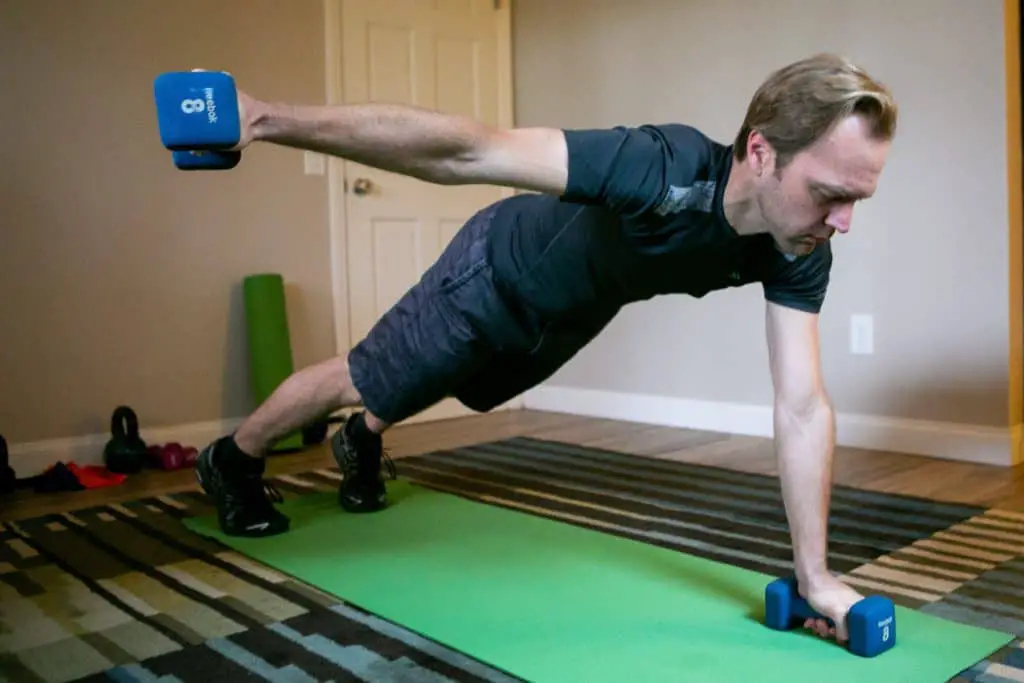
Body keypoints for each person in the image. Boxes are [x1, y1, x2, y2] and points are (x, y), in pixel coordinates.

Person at [193, 52, 897, 646]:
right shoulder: (662, 166)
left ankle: (362, 442)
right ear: (761, 152)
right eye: (832, 193)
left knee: (435, 381)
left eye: (859, 199)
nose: (844, 222)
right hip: (492, 268)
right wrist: (264, 119)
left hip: (565, 315)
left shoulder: (797, 244)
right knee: (367, 376)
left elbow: (801, 403)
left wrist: (816, 577)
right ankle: (234, 458)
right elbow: (469, 148)